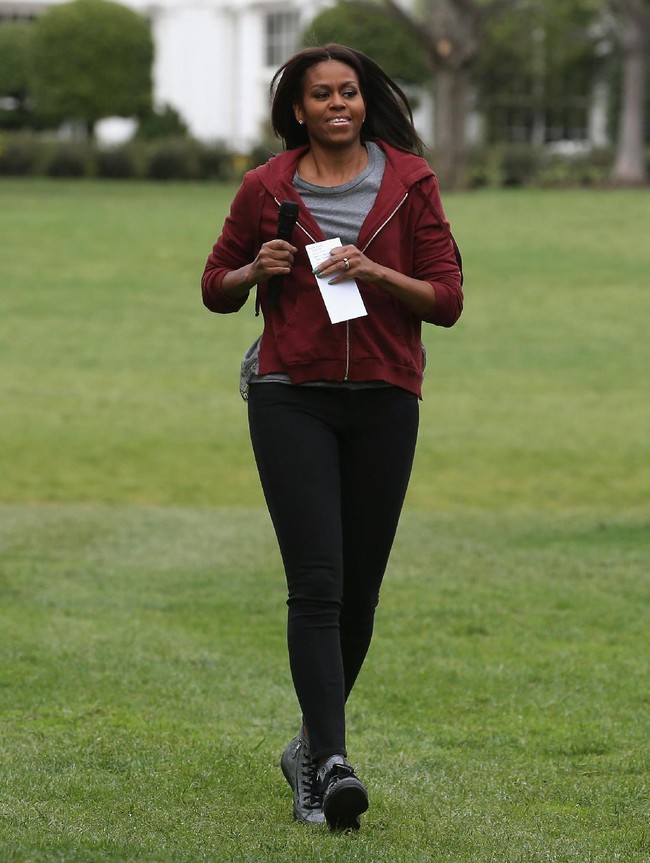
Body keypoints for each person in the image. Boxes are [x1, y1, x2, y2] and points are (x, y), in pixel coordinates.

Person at [201, 44, 463, 831]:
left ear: (364, 101)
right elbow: (215, 285)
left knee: (360, 592)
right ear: (299, 110)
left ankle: (309, 748)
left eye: (349, 92)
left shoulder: (412, 181)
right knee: (317, 582)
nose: (339, 104)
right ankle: (334, 766)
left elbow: (446, 300)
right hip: (290, 395)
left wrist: (378, 273)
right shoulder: (266, 186)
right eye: (322, 95)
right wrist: (256, 270)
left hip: (385, 397)